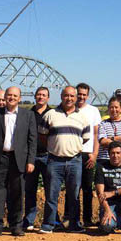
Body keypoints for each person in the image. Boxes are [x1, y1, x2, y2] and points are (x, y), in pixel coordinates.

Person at [0, 86, 37, 237]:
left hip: (19, 158)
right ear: (5, 97)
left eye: (15, 95)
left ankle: (16, 225)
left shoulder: (28, 115)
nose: (11, 98)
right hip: (0, 158)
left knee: (17, 192)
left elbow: (32, 140)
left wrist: (31, 160)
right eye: (9, 95)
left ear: (19, 98)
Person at [37, 86, 91, 233]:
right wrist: (56, 146)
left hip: (75, 160)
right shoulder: (51, 114)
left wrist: (70, 146)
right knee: (52, 194)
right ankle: (49, 224)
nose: (69, 99)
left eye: (72, 96)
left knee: (74, 195)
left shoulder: (82, 117)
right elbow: (42, 136)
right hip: (55, 160)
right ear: (61, 96)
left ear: (76, 98)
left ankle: (74, 224)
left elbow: (85, 138)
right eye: (66, 95)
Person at [24, 86, 51, 231]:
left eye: (44, 95)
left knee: (50, 190)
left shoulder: (52, 113)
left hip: (48, 156)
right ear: (35, 97)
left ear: (48, 98)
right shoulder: (28, 114)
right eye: (39, 94)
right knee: (30, 190)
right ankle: (29, 220)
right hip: (31, 157)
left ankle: (50, 221)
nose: (41, 97)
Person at [76, 83, 102, 230]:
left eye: (84, 94)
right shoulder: (70, 109)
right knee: (72, 188)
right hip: (73, 154)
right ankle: (71, 217)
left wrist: (94, 154)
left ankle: (87, 218)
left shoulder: (93, 111)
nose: (81, 97)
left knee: (86, 188)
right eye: (79, 94)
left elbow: (96, 133)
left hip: (88, 154)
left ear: (88, 96)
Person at [98, 97, 121, 167]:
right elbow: (102, 141)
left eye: (116, 107)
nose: (114, 110)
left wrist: (111, 139)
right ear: (108, 109)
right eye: (111, 107)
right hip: (105, 159)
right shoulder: (103, 124)